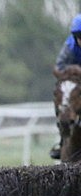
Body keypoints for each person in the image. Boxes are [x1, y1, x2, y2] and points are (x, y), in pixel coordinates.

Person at [51, 14, 81, 159]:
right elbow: (59, 66)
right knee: (61, 97)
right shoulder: (69, 46)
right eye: (79, 36)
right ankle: (63, 140)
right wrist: (72, 72)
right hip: (77, 78)